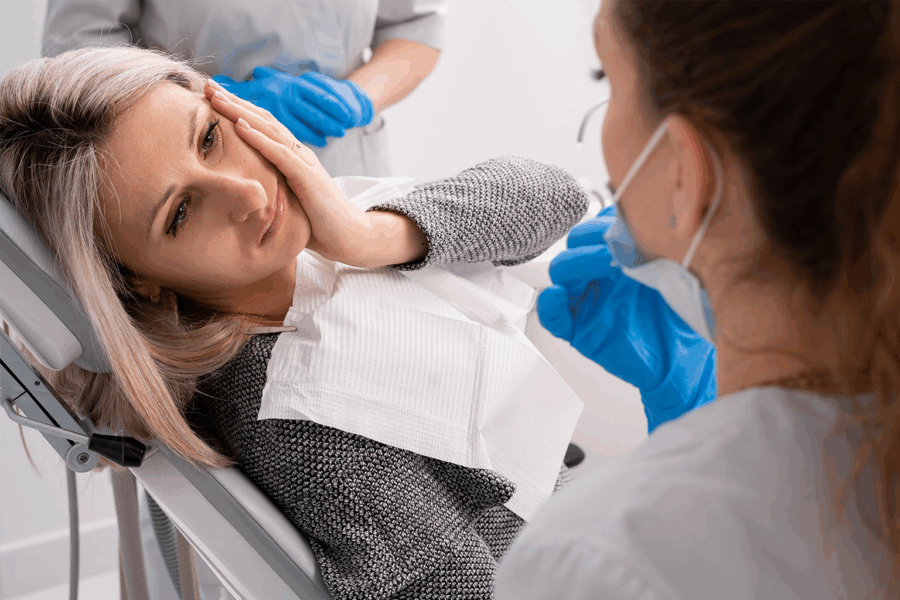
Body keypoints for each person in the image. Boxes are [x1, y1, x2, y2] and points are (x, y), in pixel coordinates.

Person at [0, 46, 591, 600]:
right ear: (132, 280)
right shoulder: (295, 411)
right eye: (180, 213)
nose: (249, 195)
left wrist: (369, 236)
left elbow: (554, 197)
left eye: (209, 137)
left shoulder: (328, 242)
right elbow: (457, 584)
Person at [495, 1, 900, 598]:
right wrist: (697, 414)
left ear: (687, 173)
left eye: (606, 78)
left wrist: (708, 451)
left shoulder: (596, 560)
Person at [42, 0, 445, 177]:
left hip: (342, 162)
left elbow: (415, 28)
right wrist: (206, 99)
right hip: (196, 158)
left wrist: (356, 96)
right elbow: (76, 49)